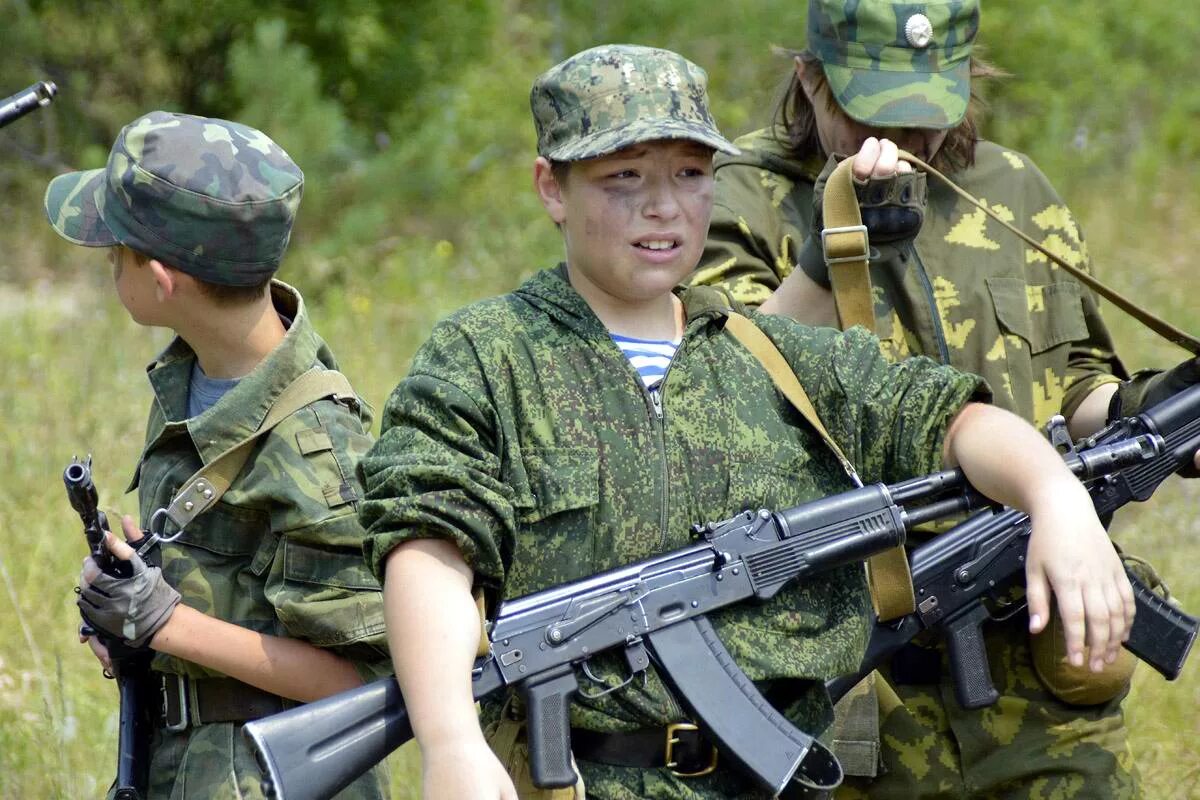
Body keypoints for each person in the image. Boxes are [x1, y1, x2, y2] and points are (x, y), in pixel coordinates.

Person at [356, 44, 1133, 800]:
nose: (662, 206)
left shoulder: (767, 353)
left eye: (690, 175)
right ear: (552, 188)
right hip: (578, 778)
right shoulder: (485, 357)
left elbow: (951, 420)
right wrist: (451, 741)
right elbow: (429, 550)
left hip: (773, 774)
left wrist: (1056, 498)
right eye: (622, 176)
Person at [689, 1, 1190, 797]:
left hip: (1041, 684)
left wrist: (1163, 413)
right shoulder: (737, 199)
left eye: (928, 111)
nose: (906, 142)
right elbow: (717, 399)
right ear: (809, 81)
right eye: (870, 109)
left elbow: (1077, 388)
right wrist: (832, 254)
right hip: (854, 695)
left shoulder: (1013, 190)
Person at [51, 111, 391, 799]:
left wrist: (167, 623)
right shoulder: (195, 376)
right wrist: (132, 607)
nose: (108, 264)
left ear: (160, 278)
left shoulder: (315, 446)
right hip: (182, 766)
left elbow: (363, 682)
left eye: (113, 252)